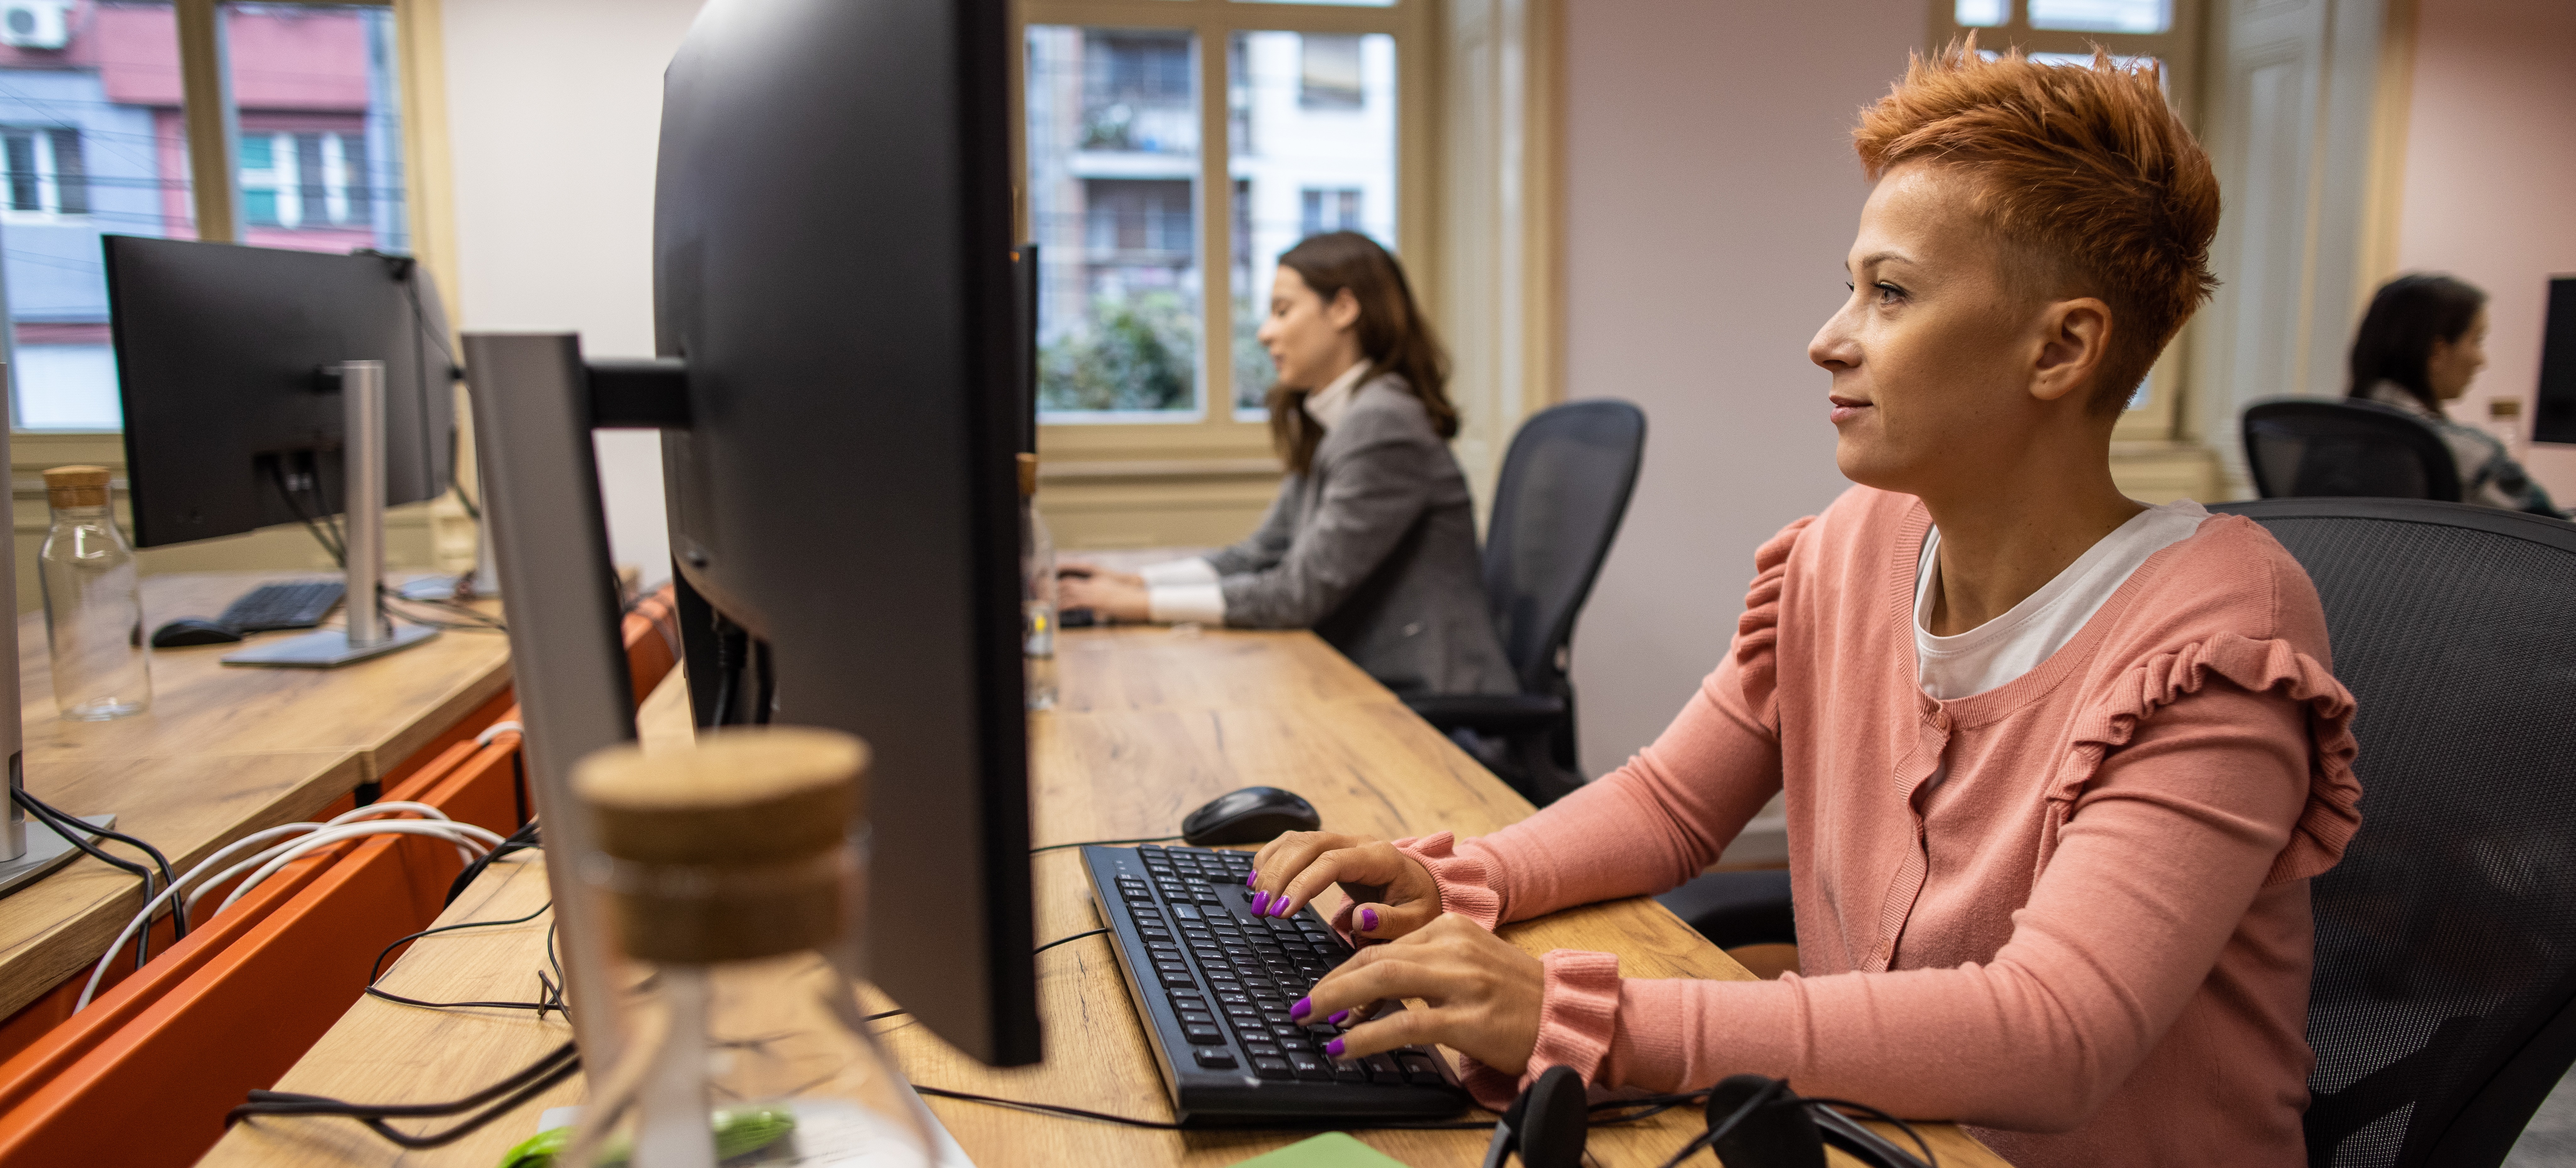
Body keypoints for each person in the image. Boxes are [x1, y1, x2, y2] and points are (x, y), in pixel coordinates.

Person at [1241, 45, 2362, 1168]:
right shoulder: (1846, 547)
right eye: (1849, 284)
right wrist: (1461, 875)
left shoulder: (2217, 632)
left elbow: (2051, 1034)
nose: (1827, 336)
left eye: (1889, 291)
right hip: (1873, 1136)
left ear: (2059, 346)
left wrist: (1581, 1014)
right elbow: (1671, 804)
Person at [1058, 232, 1515, 698]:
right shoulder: (1340, 420)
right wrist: (1133, 583)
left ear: (1343, 309)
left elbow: (1297, 595)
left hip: (1436, 703)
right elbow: (1258, 556)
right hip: (1377, 686)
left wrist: (1135, 604)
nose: (1265, 333)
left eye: (1282, 310)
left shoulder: (1383, 424)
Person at [2348, 273, 2565, 517]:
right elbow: (2554, 535)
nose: (2481, 361)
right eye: (2477, 341)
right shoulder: (2463, 455)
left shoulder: (2317, 440)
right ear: (2437, 353)